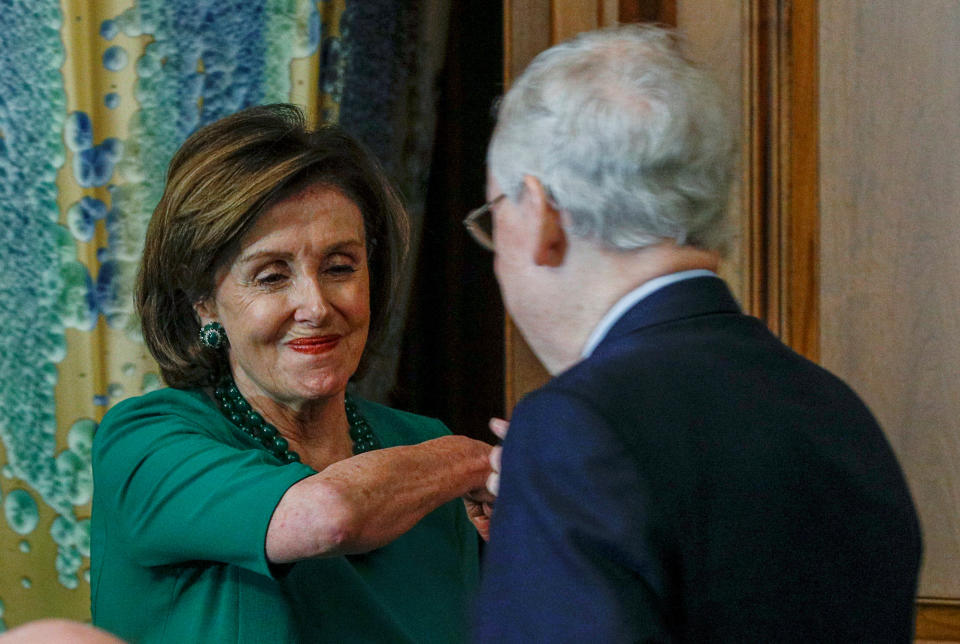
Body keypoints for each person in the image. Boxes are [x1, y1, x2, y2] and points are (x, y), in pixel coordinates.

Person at [468, 25, 922, 642]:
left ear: (543, 213)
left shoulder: (577, 430)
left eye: (495, 215)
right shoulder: (837, 411)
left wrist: (558, 472)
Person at [90, 104, 494, 643]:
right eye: (272, 275)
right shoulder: (146, 441)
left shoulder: (420, 445)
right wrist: (480, 460)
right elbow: (330, 514)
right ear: (204, 301)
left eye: (340, 267)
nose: (316, 305)